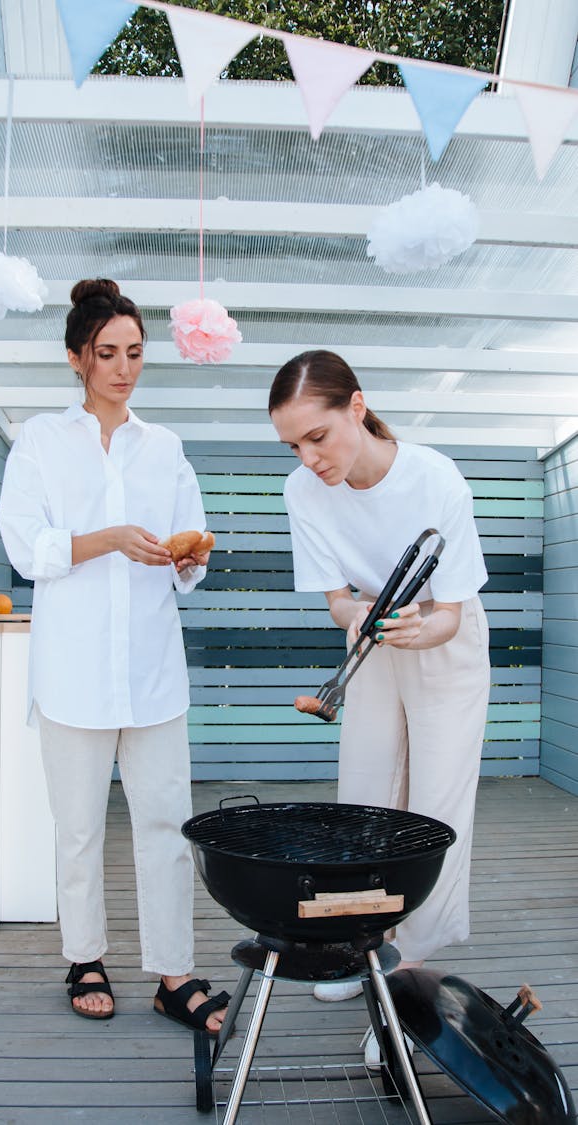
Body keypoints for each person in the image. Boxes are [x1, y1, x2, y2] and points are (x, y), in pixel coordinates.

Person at [0, 278, 229, 1034]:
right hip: (72, 670)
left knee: (166, 820)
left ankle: (173, 972)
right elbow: (25, 546)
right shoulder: (39, 440)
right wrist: (107, 538)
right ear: (76, 359)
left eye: (134, 352)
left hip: (153, 670)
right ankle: (85, 956)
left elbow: (187, 545)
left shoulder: (166, 449)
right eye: (107, 354)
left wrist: (187, 558)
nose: (123, 368)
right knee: (79, 826)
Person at [268, 350, 490, 1066]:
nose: (309, 459)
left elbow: (449, 613)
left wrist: (419, 628)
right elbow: (337, 596)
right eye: (294, 446)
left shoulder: (435, 478)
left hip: (443, 642)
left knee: (432, 810)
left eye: (318, 437)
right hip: (375, 636)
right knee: (366, 800)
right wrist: (358, 615)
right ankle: (359, 950)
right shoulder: (302, 492)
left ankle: (406, 989)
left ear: (356, 408)